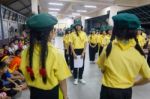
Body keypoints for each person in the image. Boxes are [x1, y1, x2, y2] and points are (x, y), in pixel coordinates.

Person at [97, 13, 150, 99]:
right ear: (135, 32)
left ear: (116, 31)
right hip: (126, 92)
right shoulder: (139, 53)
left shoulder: (108, 48)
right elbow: (148, 78)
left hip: (107, 91)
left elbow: (102, 69)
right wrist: (134, 83)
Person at [19, 13, 71, 99]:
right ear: (50, 33)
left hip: (34, 93)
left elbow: (26, 73)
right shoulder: (56, 54)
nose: (54, 32)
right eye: (53, 30)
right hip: (51, 94)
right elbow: (62, 80)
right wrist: (65, 96)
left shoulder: (25, 52)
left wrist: (29, 84)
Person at [70, 19, 88, 85]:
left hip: (82, 50)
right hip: (75, 50)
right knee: (75, 65)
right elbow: (71, 44)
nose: (78, 27)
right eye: (77, 26)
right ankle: (75, 78)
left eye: (79, 25)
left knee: (81, 65)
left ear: (81, 26)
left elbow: (86, 43)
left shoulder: (84, 34)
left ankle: (80, 78)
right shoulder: (72, 34)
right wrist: (73, 53)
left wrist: (83, 52)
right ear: (75, 27)